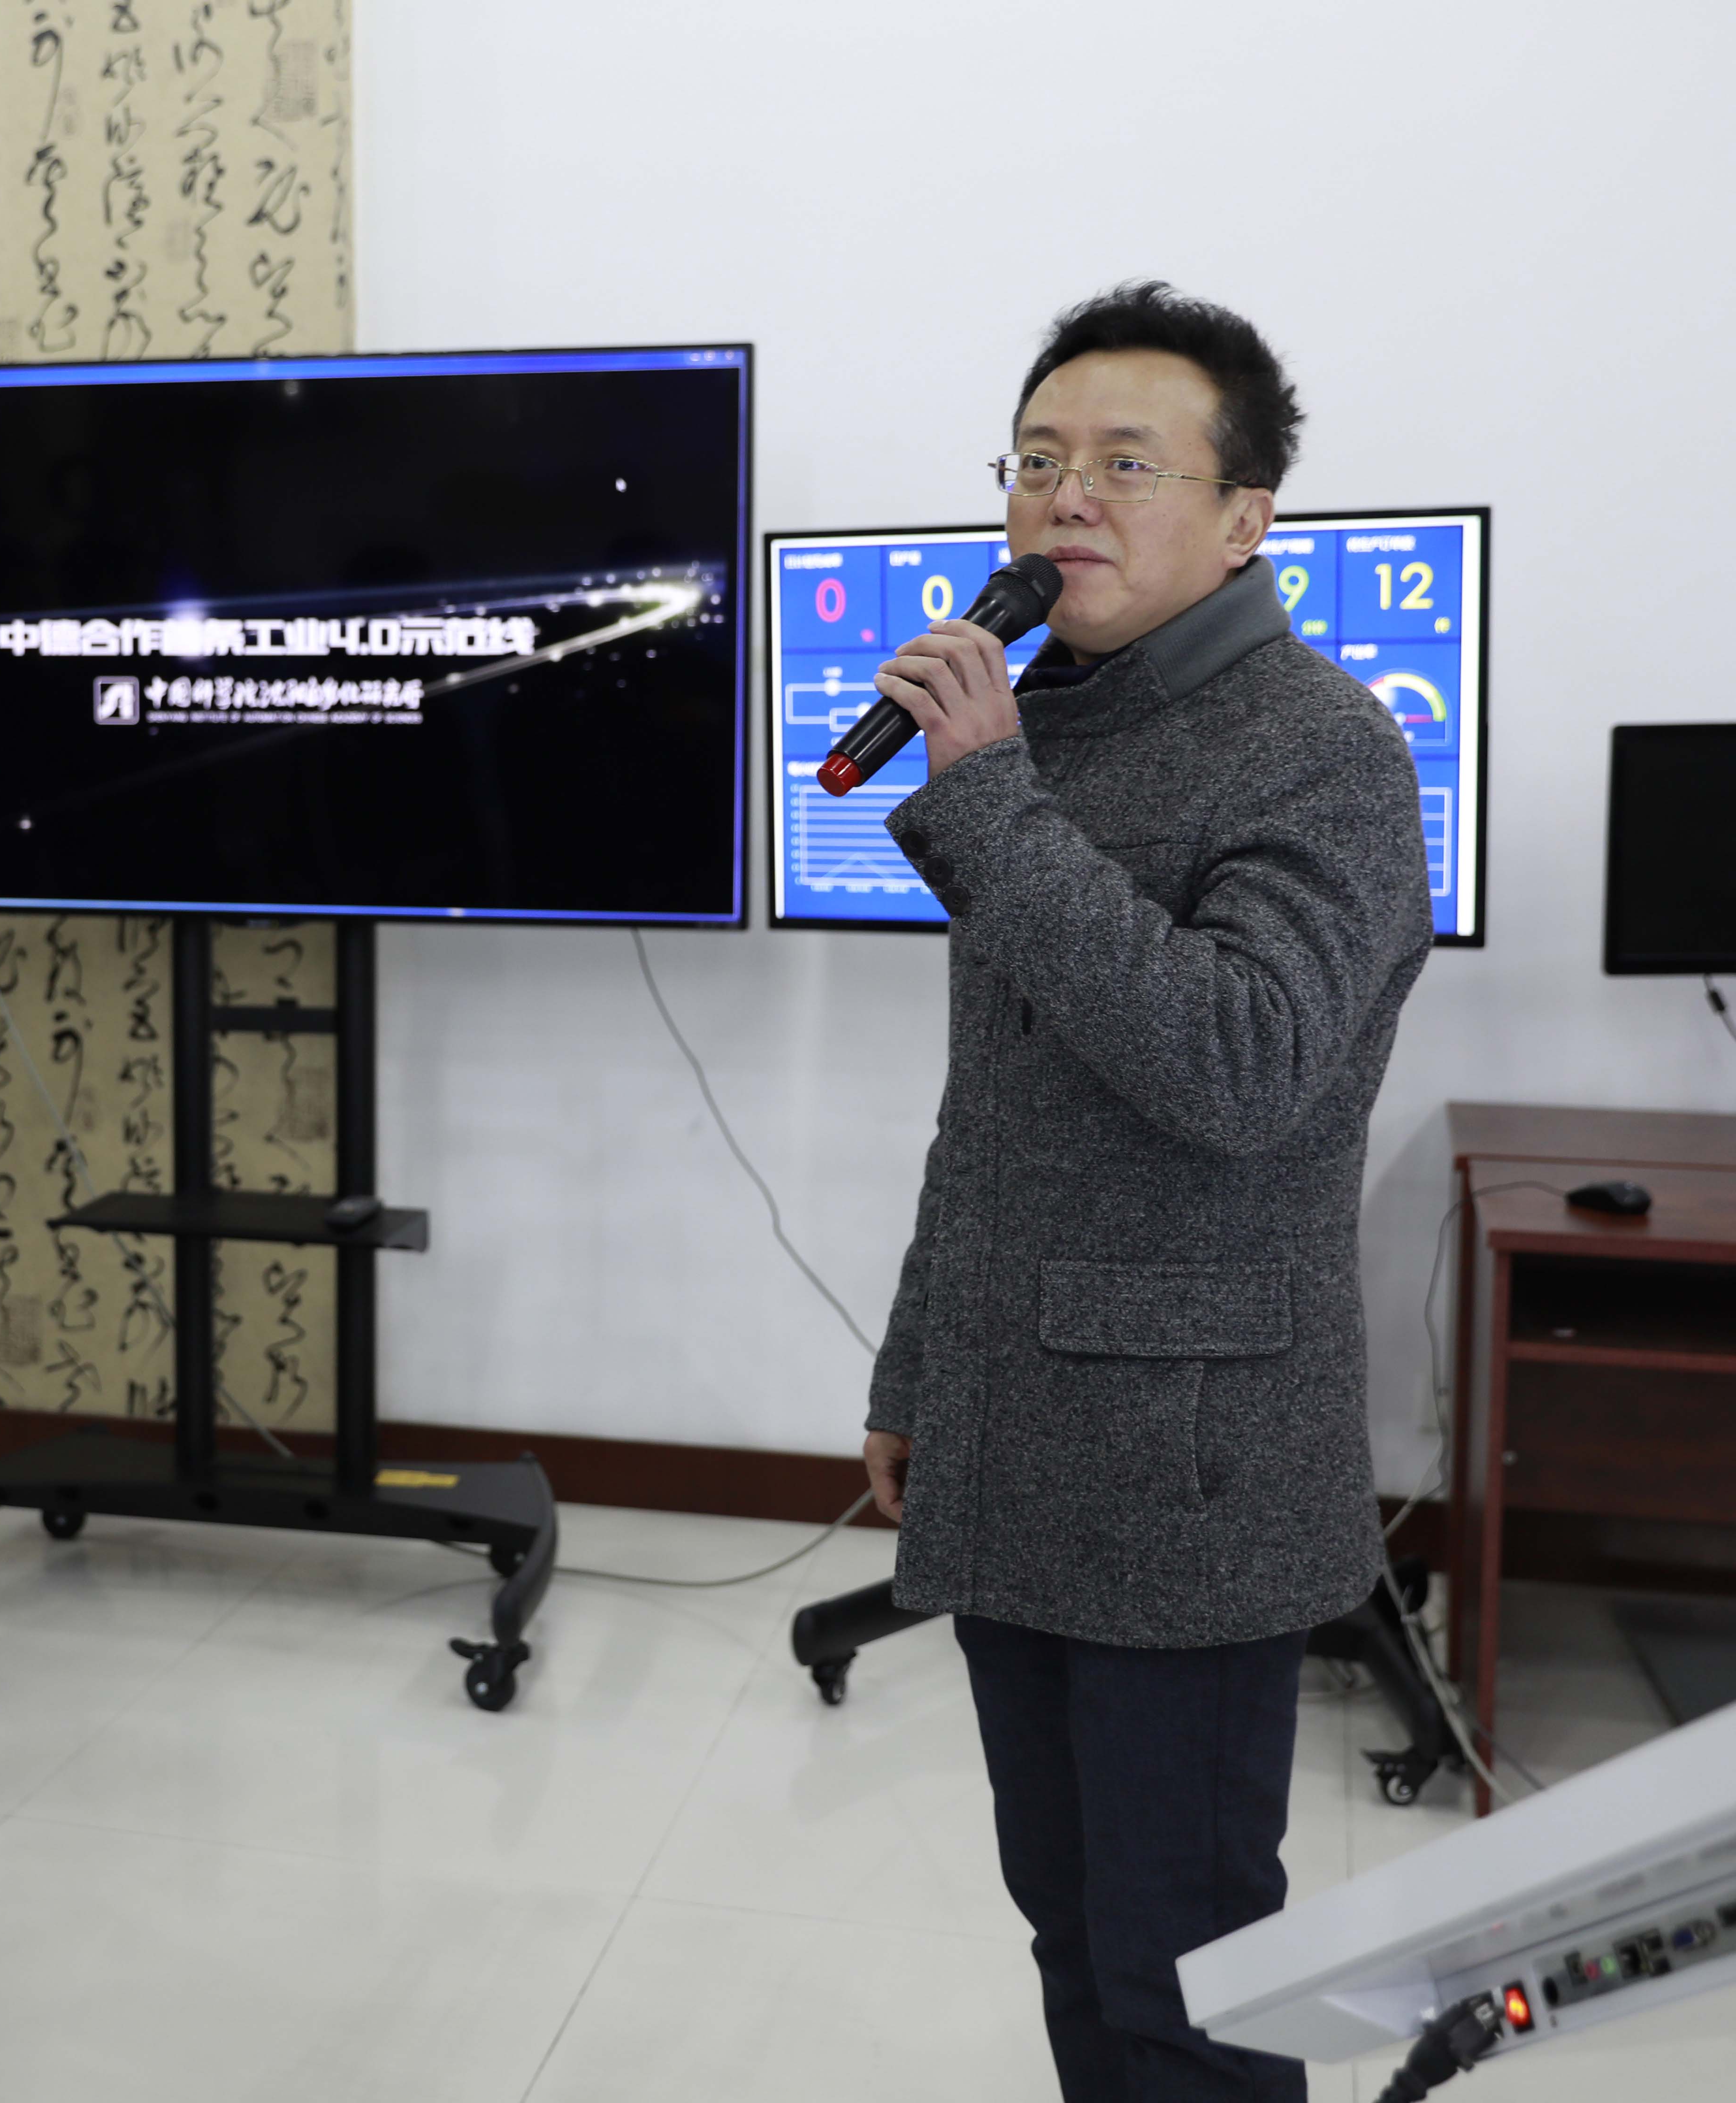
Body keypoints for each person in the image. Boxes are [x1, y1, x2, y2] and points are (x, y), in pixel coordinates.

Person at [857, 282, 1431, 2103]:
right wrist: (914, 1370)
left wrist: (994, 807)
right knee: (1070, 1931)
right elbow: (994, 1114)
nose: (1064, 499)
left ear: (1246, 515)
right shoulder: (1048, 730)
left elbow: (1242, 1066)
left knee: (1191, 1974)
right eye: (1037, 462)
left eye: (1123, 463)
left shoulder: (1321, 745)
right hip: (1015, 1429)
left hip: (1190, 1473)